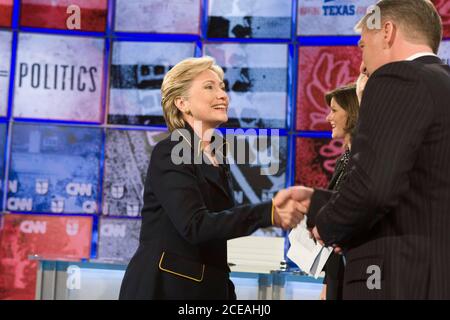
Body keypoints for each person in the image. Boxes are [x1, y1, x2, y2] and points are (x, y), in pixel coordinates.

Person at [297, 0, 450, 299]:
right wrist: (319, 202)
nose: (362, 63)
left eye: (363, 45)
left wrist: (327, 226)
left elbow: (374, 189)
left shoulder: (396, 79)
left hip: (396, 280)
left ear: (387, 32)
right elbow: (415, 193)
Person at [119, 56, 305, 300]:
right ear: (182, 103)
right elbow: (195, 225)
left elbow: (216, 233)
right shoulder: (172, 150)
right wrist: (267, 213)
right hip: (165, 288)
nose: (223, 95)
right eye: (210, 87)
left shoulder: (216, 153)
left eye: (223, 87)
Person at [318, 83, 361, 300]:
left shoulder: (363, 161)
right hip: (336, 266)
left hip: (356, 266)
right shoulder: (344, 159)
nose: (328, 117)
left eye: (334, 110)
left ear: (352, 112)